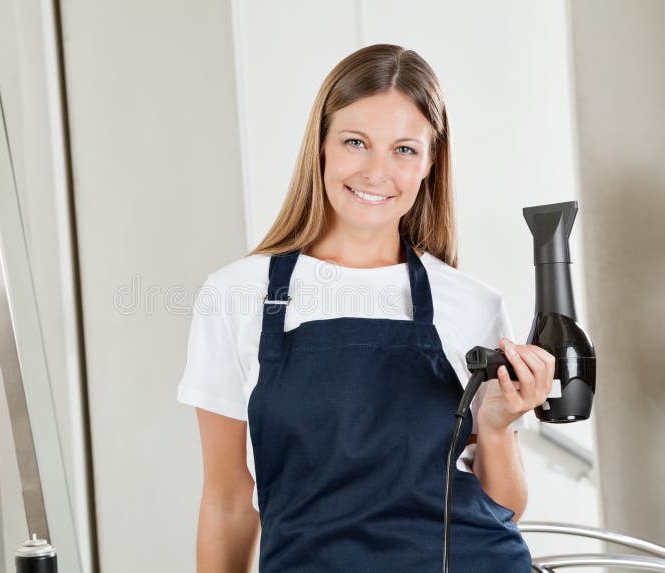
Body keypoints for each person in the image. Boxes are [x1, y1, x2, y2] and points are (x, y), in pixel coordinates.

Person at [177, 43, 555, 572]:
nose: (377, 173)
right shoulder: (236, 295)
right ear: (322, 146)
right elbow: (227, 503)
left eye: (404, 149)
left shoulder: (473, 304)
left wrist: (495, 427)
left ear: (429, 163)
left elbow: (506, 508)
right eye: (356, 142)